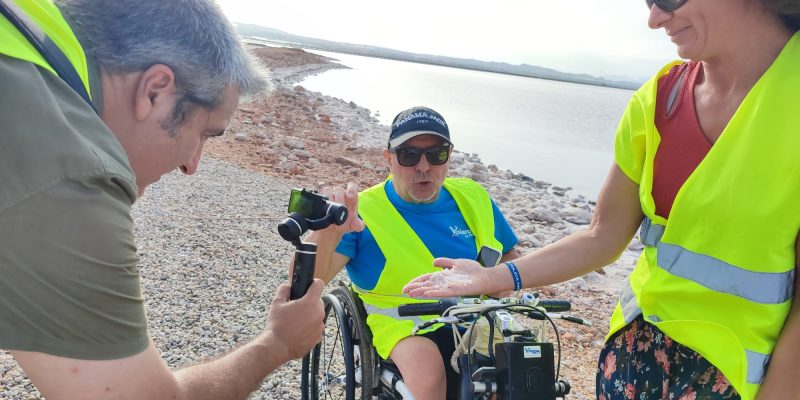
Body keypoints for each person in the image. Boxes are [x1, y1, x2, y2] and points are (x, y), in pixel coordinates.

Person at [404, 1, 800, 399]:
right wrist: (494, 278)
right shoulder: (659, 99)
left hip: (736, 375)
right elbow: (603, 234)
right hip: (635, 355)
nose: (654, 19)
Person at [0, 0, 325, 399]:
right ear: (154, 90)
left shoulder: (26, 33)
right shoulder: (68, 169)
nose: (192, 165)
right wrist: (277, 344)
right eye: (205, 134)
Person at [307, 106, 521, 400]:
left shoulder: (474, 196)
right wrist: (327, 231)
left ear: (449, 156)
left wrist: (498, 283)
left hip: (473, 313)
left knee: (525, 368)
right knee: (429, 374)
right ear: (389, 158)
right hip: (401, 318)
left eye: (436, 154)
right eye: (409, 155)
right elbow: (308, 282)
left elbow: (510, 255)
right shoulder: (363, 211)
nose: (423, 166)